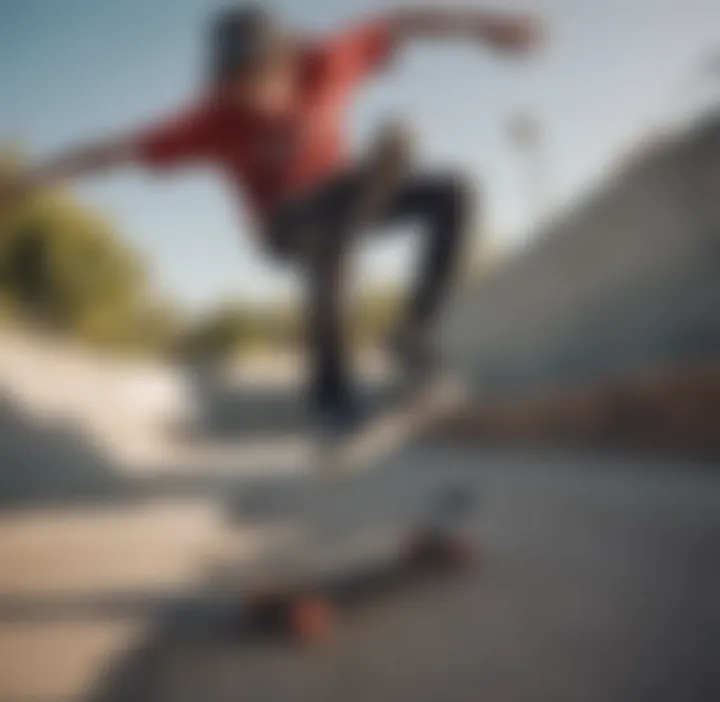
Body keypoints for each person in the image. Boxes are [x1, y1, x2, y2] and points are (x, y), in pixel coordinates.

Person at [0, 4, 541, 438]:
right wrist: (27, 181)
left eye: (260, 80)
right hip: (282, 227)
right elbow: (113, 150)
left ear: (287, 60)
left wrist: (487, 26)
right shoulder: (210, 120)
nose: (251, 98)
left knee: (453, 194)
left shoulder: (327, 62)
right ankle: (330, 396)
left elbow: (403, 21)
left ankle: (414, 332)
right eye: (236, 85)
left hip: (346, 195)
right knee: (332, 239)